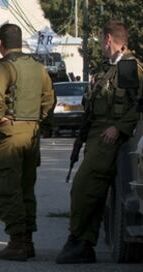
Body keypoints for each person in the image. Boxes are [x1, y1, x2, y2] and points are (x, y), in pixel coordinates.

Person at [56, 20, 143, 264]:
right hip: (96, 136)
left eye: (101, 42)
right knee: (89, 191)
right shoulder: (110, 68)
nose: (101, 46)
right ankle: (82, 241)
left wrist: (119, 127)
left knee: (83, 189)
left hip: (109, 137)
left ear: (108, 39)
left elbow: (139, 105)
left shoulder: (128, 67)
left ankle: (80, 242)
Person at [0, 23, 54, 261]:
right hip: (32, 132)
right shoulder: (37, 67)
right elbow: (49, 97)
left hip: (10, 134)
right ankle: (28, 241)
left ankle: (16, 243)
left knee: (8, 188)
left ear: (0, 44)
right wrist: (38, 120)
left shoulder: (4, 67)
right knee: (26, 187)